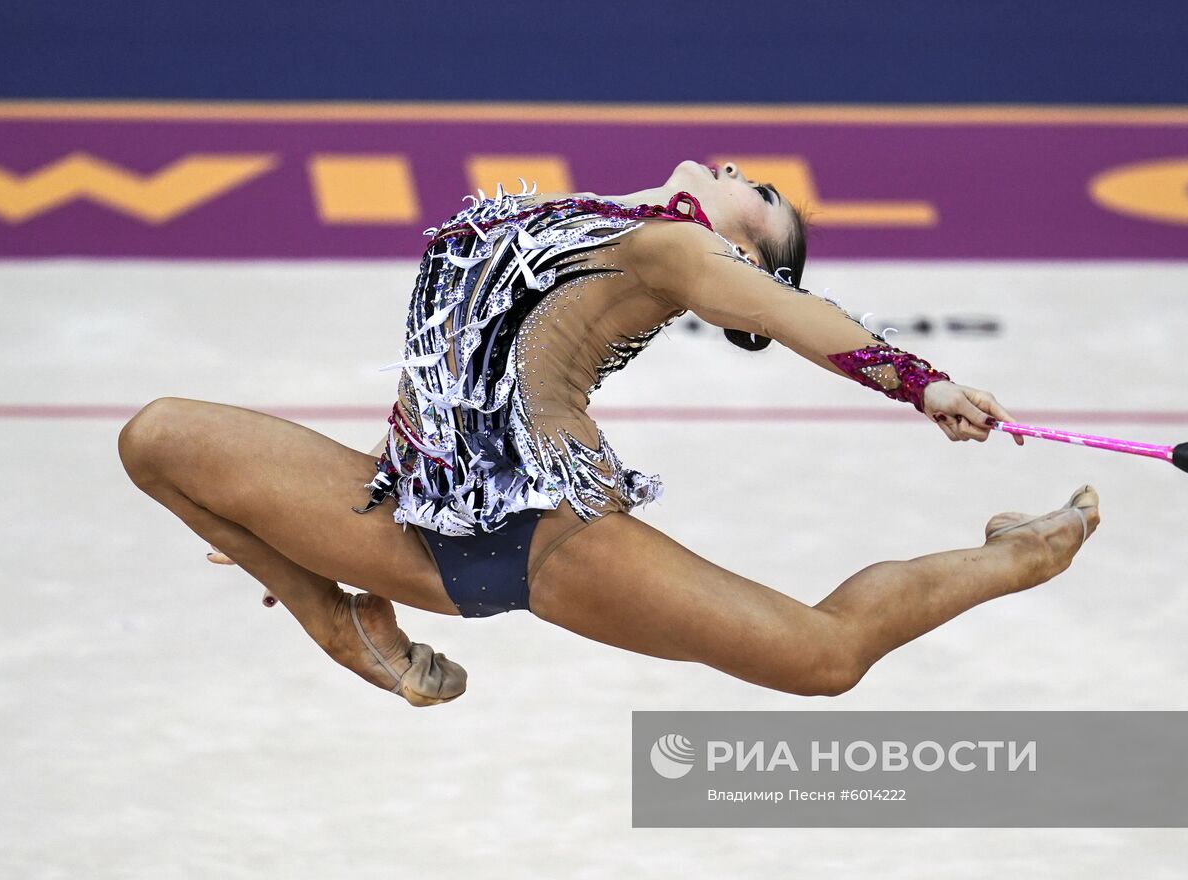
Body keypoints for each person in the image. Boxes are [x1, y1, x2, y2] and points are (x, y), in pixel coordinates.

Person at [118, 161, 1099, 706]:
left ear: (743, 249)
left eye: (760, 197)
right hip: (405, 520)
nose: (738, 171)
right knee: (156, 439)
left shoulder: (675, 249)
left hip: (543, 532)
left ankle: (1019, 557)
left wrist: (919, 383)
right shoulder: (597, 221)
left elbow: (790, 315)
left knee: (821, 658)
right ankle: (339, 623)